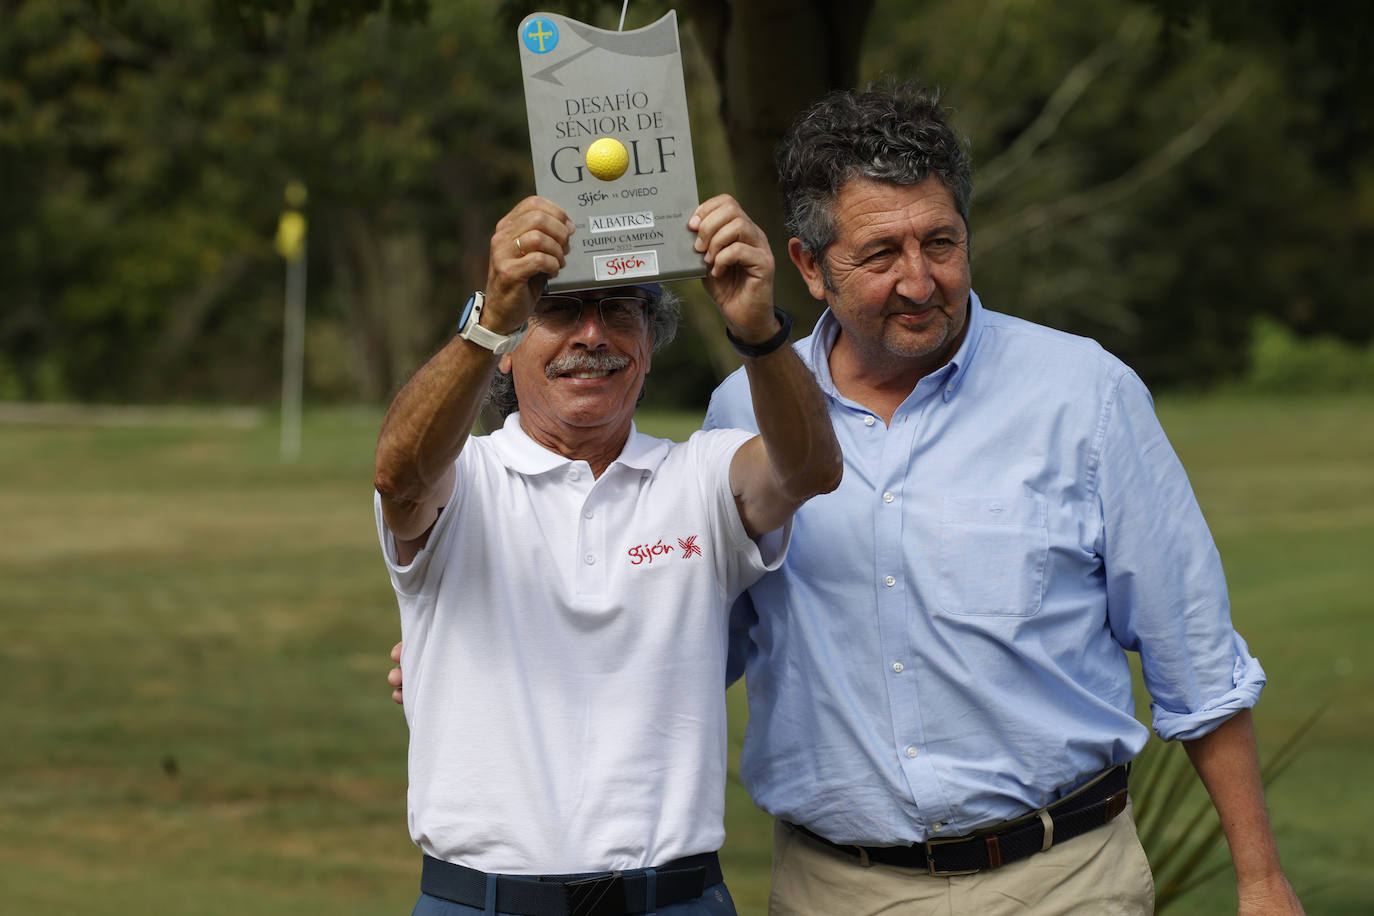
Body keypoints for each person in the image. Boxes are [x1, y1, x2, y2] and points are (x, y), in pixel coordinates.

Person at [698, 84, 1303, 915]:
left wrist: (1262, 880)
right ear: (809, 266)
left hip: (1064, 882)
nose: (920, 281)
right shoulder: (744, 415)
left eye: (940, 242)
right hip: (834, 891)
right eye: (880, 255)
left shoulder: (1082, 392)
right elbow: (693, 647)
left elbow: (1194, 654)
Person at [372, 192, 841, 916]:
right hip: (481, 901)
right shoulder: (463, 479)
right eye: (558, 311)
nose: (592, 335)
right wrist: (491, 317)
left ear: (650, 346)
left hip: (675, 900)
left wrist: (758, 330)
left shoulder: (700, 476)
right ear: (508, 352)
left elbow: (810, 470)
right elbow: (399, 478)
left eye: (621, 311)